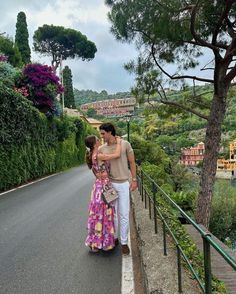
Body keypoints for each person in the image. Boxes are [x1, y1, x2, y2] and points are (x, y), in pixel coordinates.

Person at [99, 123, 137, 255]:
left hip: (123, 184)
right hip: (110, 185)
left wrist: (134, 179)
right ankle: (114, 238)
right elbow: (99, 167)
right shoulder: (102, 148)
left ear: (110, 132)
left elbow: (132, 162)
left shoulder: (125, 144)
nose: (102, 136)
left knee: (124, 213)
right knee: (112, 214)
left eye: (103, 133)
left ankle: (124, 243)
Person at [84, 135, 122, 252]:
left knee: (96, 214)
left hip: (97, 187)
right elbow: (116, 155)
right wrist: (119, 142)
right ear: (95, 144)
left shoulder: (91, 156)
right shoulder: (99, 155)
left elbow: (96, 174)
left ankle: (95, 244)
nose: (100, 141)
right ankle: (106, 243)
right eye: (98, 140)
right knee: (107, 213)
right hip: (105, 187)